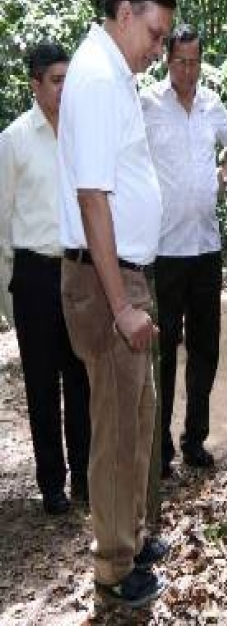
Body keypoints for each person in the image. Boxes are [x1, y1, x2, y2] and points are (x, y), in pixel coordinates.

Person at [58, 0, 175, 608]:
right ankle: (112, 568)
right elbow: (93, 199)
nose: (159, 48)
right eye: (155, 34)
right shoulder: (99, 76)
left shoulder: (114, 72)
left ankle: (127, 536)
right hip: (108, 283)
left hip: (126, 276)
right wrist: (121, 303)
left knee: (138, 416)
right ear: (124, 13)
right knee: (115, 430)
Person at [0, 43, 90, 515]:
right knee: (41, 384)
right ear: (35, 85)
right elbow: (1, 226)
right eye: (56, 80)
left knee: (81, 378)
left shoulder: (80, 134)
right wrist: (9, 299)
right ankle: (51, 483)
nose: (63, 88)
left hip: (77, 270)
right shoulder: (13, 141)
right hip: (33, 276)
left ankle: (84, 478)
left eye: (67, 78)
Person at [142, 24, 227, 477]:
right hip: (163, 250)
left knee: (205, 348)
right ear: (167, 60)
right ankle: (159, 448)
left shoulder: (211, 104)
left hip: (205, 246)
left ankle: (194, 438)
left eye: (195, 61)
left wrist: (224, 174)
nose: (189, 69)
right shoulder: (148, 106)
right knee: (163, 352)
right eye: (181, 61)